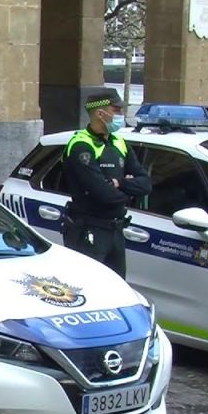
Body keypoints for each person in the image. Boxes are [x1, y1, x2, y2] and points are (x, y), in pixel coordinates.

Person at [60, 90, 151, 277]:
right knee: (90, 288)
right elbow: (103, 194)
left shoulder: (119, 143)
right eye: (116, 110)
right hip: (89, 230)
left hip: (115, 230)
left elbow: (146, 184)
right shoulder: (81, 146)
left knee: (116, 289)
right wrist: (128, 189)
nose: (120, 115)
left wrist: (118, 183)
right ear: (100, 113)